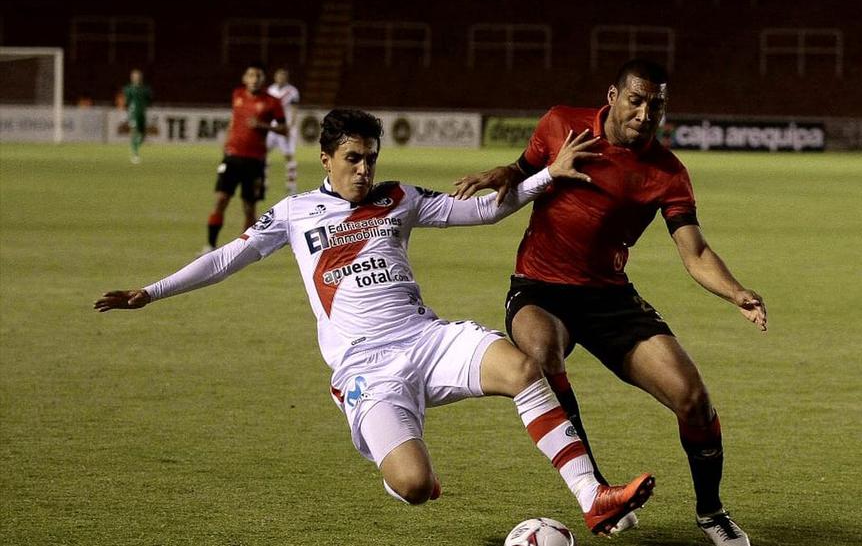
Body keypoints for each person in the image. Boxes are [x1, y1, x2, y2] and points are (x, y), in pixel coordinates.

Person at [94, 109, 655, 536]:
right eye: (353, 159)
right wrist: (152, 291)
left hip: (425, 338)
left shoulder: (399, 198)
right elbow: (224, 259)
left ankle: (591, 496)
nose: (364, 170)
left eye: (371, 159)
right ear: (327, 160)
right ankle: (393, 451)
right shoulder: (293, 214)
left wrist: (546, 177)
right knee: (413, 486)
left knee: (525, 367)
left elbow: (485, 210)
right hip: (366, 365)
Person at [451, 59, 767, 546]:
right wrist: (506, 172)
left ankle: (711, 512)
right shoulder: (561, 123)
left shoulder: (667, 173)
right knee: (540, 358)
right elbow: (525, 169)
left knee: (693, 400)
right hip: (539, 288)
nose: (644, 113)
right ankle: (595, 493)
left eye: (656, 105)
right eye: (636, 100)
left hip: (609, 297)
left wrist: (736, 291)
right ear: (613, 96)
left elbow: (696, 251)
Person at [202, 62, 288, 255]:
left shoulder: (272, 101)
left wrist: (263, 125)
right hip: (232, 157)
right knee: (220, 200)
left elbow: (284, 129)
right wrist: (226, 143)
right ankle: (210, 245)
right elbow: (234, 120)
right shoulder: (237, 95)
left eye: (258, 76)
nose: (254, 79)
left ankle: (243, 251)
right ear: (245, 78)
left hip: (254, 160)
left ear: (263, 80)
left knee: (249, 208)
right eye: (251, 75)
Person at [266, 67, 301, 194]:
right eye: (278, 76)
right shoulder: (270, 90)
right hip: (272, 126)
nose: (280, 78)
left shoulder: (292, 91)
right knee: (264, 152)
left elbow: (294, 110)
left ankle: (291, 184)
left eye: (283, 76)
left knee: (288, 155)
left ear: (286, 78)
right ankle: (263, 182)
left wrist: (290, 126)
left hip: (285, 127)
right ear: (275, 77)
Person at [123, 69, 152, 164]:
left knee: (143, 134)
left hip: (142, 113)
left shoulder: (145, 89)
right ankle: (135, 154)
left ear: (140, 77)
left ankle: (136, 146)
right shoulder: (128, 89)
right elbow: (127, 101)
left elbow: (149, 100)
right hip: (133, 113)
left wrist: (145, 105)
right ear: (131, 78)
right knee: (134, 131)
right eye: (134, 76)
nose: (136, 78)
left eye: (137, 76)